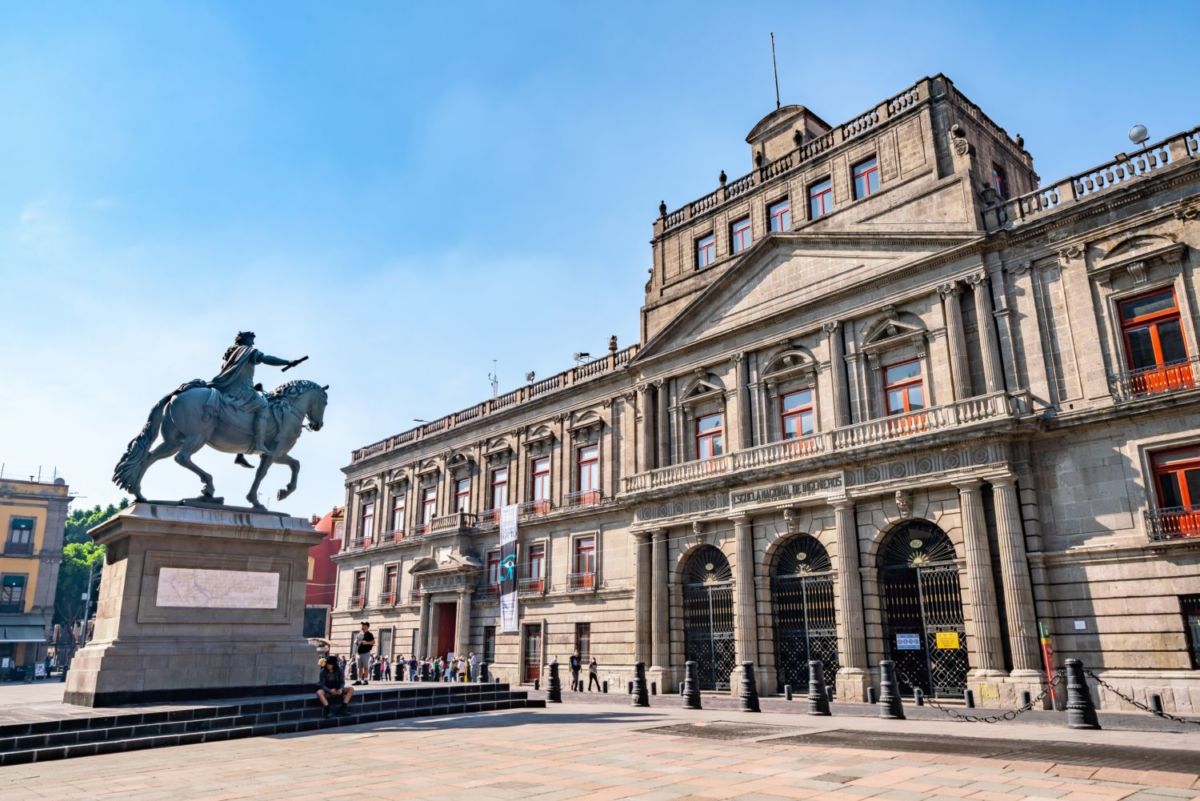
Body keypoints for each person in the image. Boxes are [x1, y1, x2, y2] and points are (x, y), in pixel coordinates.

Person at [208, 331, 303, 463]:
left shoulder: (231, 354)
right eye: (251, 340)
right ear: (245, 340)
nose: (252, 343)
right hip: (240, 389)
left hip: (226, 388)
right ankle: (259, 443)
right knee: (263, 406)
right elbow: (266, 359)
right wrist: (287, 362)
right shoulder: (246, 350)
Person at [354, 621, 375, 686]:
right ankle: (359, 680)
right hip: (358, 653)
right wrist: (356, 641)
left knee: (365, 667)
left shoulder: (369, 634)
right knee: (359, 667)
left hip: (365, 653)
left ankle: (365, 680)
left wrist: (366, 642)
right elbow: (356, 641)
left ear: (367, 627)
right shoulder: (360, 634)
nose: (362, 627)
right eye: (362, 625)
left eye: (364, 626)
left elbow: (373, 642)